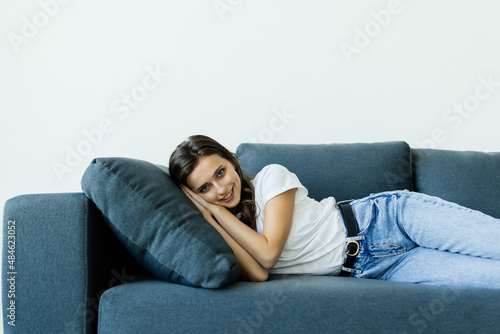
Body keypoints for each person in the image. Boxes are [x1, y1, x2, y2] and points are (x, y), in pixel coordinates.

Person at [169, 135, 500, 289]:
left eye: (220, 172)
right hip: (377, 268)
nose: (221, 189)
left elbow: (269, 254)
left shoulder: (271, 177)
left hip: (390, 219)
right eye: (204, 190)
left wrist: (214, 213)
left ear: (232, 161)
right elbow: (259, 274)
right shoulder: (230, 232)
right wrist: (213, 220)